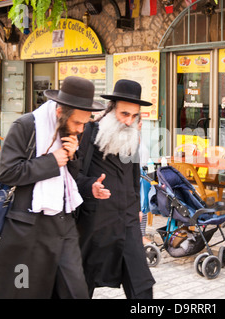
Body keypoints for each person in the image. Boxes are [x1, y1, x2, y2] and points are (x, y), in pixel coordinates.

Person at [0, 76, 105, 298]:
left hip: (64, 225)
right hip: (28, 228)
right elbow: (7, 172)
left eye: (85, 123)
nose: (81, 129)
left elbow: (70, 178)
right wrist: (51, 161)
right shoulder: (26, 126)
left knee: (76, 291)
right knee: (24, 290)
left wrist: (73, 157)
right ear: (60, 113)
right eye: (77, 123)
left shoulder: (72, 134)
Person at [75, 79, 156, 299]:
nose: (129, 121)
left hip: (127, 222)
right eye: (124, 114)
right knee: (81, 284)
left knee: (142, 284)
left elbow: (133, 179)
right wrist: (90, 186)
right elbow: (74, 176)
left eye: (133, 116)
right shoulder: (88, 133)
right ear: (111, 110)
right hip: (94, 224)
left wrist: (138, 209)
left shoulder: (132, 138)